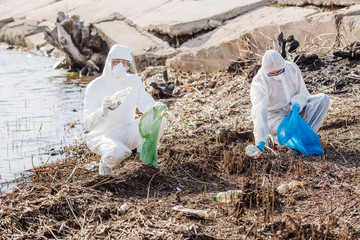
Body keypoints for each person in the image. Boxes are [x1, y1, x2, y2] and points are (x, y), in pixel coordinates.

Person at [83, 44, 166, 175]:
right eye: (117, 62)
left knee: (159, 120)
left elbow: (146, 103)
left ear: (128, 65)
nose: (121, 66)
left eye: (124, 62)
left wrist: (155, 107)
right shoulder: (95, 86)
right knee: (118, 152)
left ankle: (142, 162)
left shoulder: (134, 81)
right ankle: (105, 167)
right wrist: (102, 111)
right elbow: (87, 124)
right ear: (109, 62)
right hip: (103, 135)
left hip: (127, 131)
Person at [250, 50, 331, 153]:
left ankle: (303, 140)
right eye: (272, 74)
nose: (276, 75)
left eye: (279, 71)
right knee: (288, 129)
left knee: (323, 100)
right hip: (275, 116)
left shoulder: (292, 68)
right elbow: (260, 110)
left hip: (295, 109)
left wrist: (297, 104)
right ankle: (280, 140)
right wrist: (260, 140)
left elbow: (302, 93)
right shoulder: (259, 81)